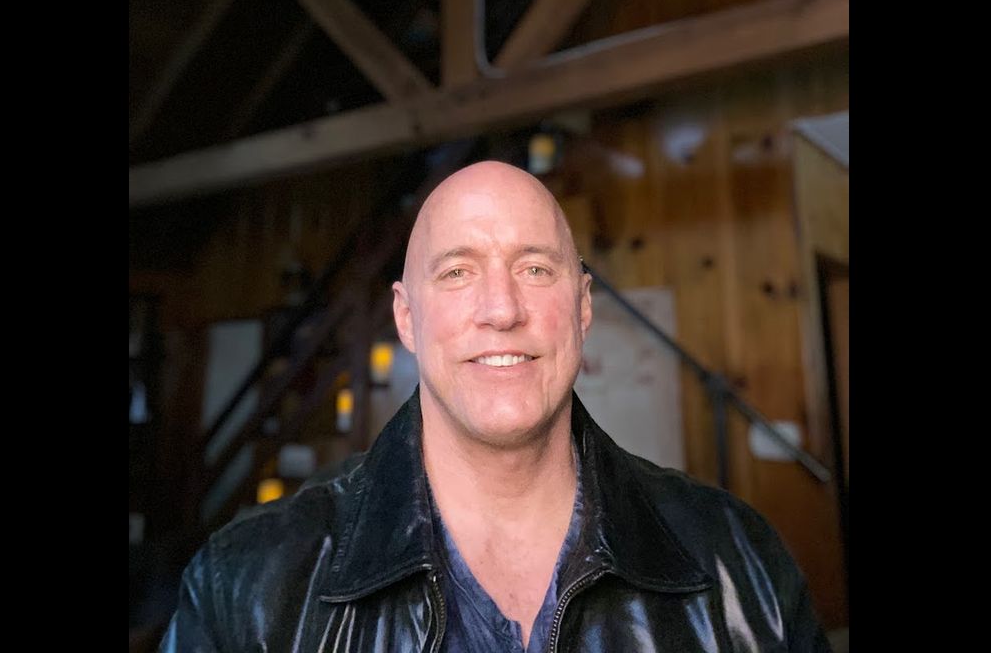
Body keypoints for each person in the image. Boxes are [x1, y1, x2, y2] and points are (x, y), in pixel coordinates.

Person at [160, 160, 831, 652]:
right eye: (457, 272)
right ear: (406, 317)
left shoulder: (740, 563)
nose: (502, 310)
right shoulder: (244, 587)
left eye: (535, 269)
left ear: (583, 307)